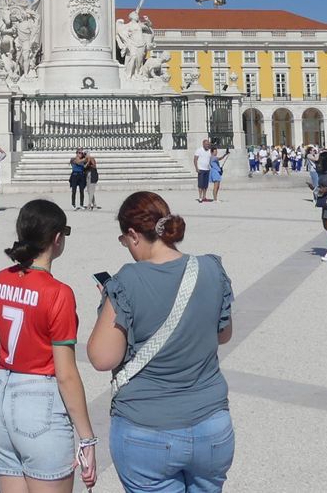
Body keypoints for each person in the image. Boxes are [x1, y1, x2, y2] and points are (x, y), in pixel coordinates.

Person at [87, 191, 235, 493]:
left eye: (124, 241)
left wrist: (108, 302)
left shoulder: (126, 281)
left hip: (147, 429)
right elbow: (223, 334)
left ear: (133, 234)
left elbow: (103, 358)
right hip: (211, 425)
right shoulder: (210, 268)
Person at [0, 199, 97, 492]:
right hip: (38, 403)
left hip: (1, 397)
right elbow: (66, 374)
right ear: (57, 239)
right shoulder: (58, 293)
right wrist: (86, 438)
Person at [193, 139, 213, 203]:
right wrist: (196, 168)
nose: (208, 145)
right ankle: (200, 197)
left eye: (208, 144)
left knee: (205, 184)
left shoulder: (210, 151)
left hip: (207, 169)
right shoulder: (199, 150)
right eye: (207, 144)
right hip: (201, 169)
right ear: (203, 144)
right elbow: (195, 159)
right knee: (200, 184)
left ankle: (204, 196)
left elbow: (211, 159)